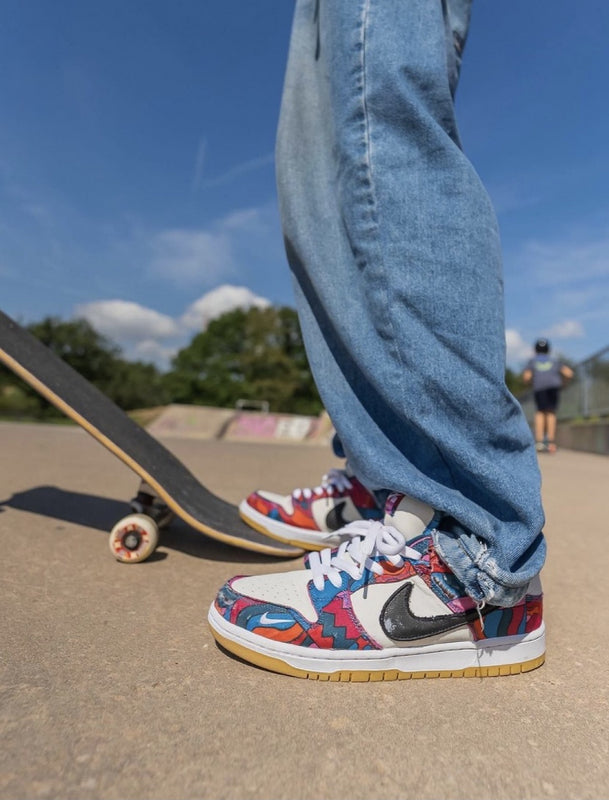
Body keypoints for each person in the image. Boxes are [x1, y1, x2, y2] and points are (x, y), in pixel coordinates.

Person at [207, 0, 547, 681]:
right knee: (317, 170)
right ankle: (384, 485)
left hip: (471, 571)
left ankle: (469, 551)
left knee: (379, 130)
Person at [522, 338, 574, 453]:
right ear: (548, 349)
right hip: (554, 388)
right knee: (551, 412)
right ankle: (550, 442)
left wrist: (530, 383)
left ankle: (539, 442)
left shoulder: (533, 361)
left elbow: (526, 377)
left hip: (539, 388)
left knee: (540, 413)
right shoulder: (554, 361)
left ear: (536, 349)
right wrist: (563, 383)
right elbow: (569, 373)